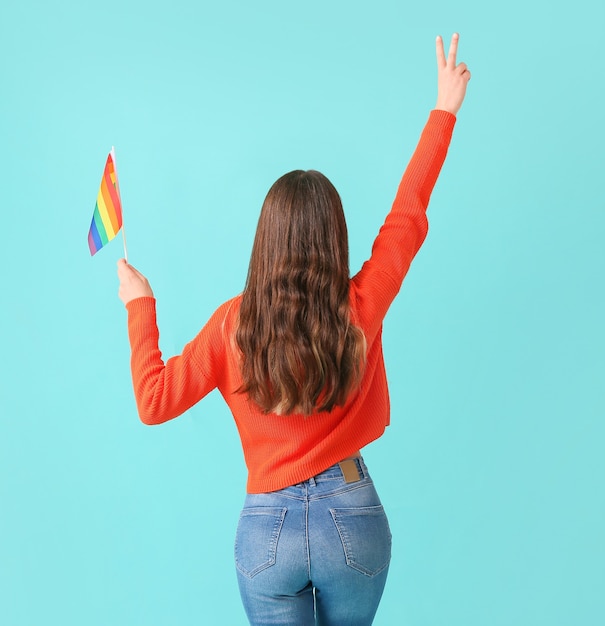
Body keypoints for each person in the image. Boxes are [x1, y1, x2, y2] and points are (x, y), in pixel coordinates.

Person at [117, 33, 470, 626]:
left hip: (267, 534)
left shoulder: (234, 325)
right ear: (335, 239)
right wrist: (444, 109)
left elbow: (153, 401)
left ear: (266, 240)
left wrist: (140, 305)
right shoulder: (360, 304)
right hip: (352, 519)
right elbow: (408, 216)